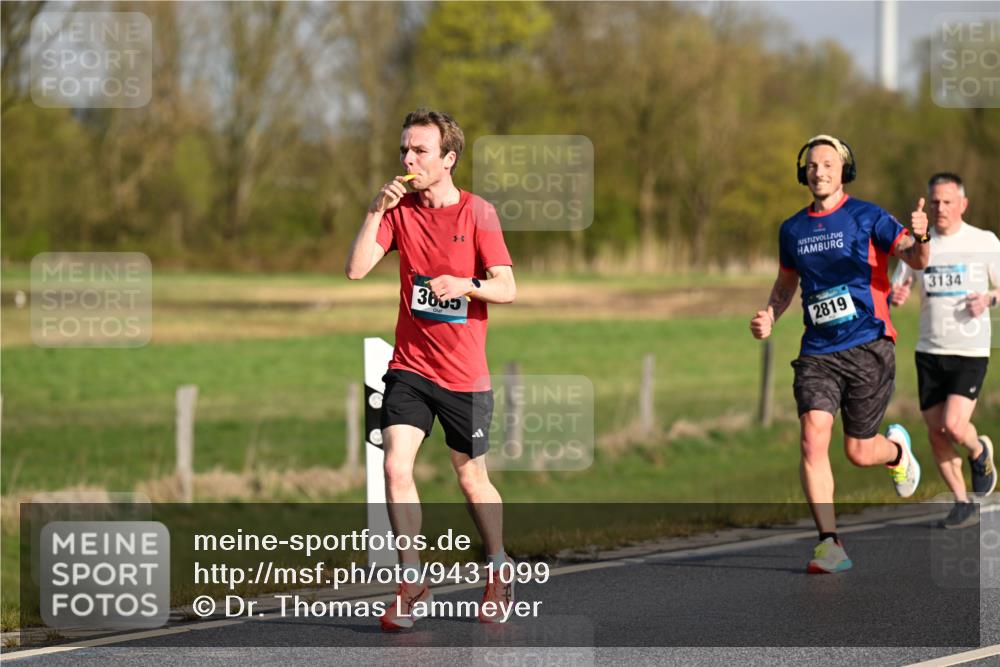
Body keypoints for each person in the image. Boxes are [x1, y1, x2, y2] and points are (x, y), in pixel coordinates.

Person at [345, 108, 517, 629]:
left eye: (419, 150)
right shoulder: (398, 212)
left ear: (448, 159)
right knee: (395, 466)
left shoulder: (478, 213)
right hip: (410, 367)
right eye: (403, 150)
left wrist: (466, 285)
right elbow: (355, 271)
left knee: (470, 480)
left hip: (464, 373)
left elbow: (507, 288)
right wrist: (376, 209)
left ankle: (497, 566)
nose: (407, 159)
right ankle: (412, 579)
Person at [750, 134, 929, 573]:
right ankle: (829, 543)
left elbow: (915, 257)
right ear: (803, 172)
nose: (819, 172)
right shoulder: (791, 229)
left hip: (868, 344)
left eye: (828, 164)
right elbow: (785, 283)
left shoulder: (867, 217)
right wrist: (771, 314)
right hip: (817, 351)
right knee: (812, 437)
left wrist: (923, 239)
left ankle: (897, 453)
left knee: (859, 452)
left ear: (843, 169)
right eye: (812, 165)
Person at [890, 172, 998, 529]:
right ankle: (962, 502)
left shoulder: (983, 242)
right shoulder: (917, 244)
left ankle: (979, 451)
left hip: (969, 350)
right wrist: (897, 296)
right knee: (936, 434)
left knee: (954, 425)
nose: (940, 208)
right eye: (934, 201)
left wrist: (989, 298)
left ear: (963, 204)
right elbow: (897, 287)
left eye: (948, 201)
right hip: (929, 350)